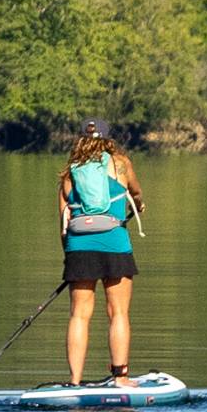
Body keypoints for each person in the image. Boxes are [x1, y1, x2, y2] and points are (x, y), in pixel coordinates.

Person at [58, 119, 143, 383]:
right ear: (108, 139)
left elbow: (62, 223)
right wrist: (138, 205)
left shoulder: (70, 173)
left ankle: (74, 381)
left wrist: (70, 256)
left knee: (79, 315)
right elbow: (137, 194)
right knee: (117, 312)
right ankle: (121, 376)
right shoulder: (120, 164)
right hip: (114, 243)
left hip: (79, 246)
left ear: (81, 139)